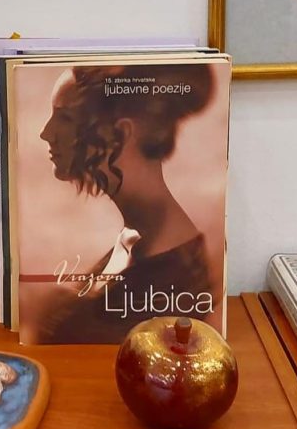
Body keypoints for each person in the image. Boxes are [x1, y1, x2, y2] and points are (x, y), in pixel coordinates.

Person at [32, 62, 219, 343]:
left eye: (65, 118)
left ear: (121, 134)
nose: (46, 133)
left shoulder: (173, 274)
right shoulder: (134, 238)